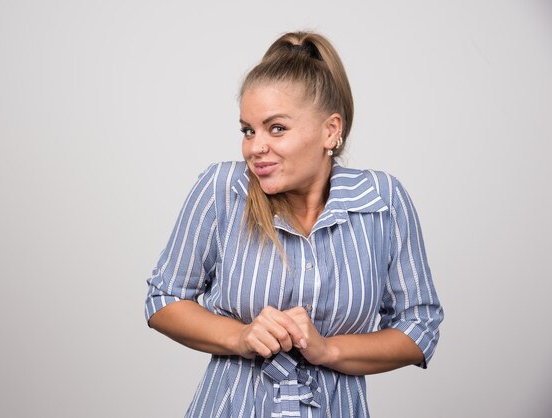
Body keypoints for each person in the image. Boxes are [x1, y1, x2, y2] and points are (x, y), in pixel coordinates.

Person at [144, 31, 443, 418]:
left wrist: (329, 350)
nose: (255, 147)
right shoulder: (223, 189)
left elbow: (419, 325)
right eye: (248, 130)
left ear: (330, 131)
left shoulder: (382, 201)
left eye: (277, 128)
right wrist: (241, 337)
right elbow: (164, 299)